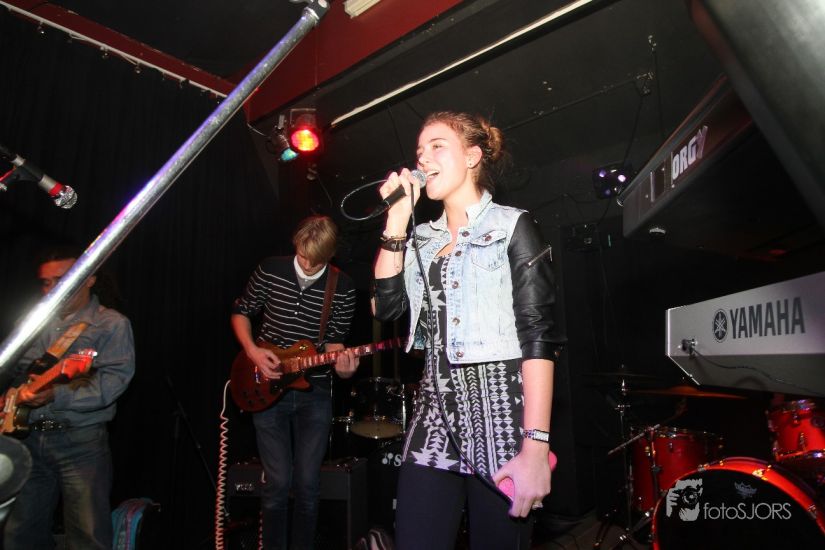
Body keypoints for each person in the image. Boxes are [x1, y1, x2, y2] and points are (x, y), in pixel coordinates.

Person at [371, 111, 565, 549]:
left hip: (502, 420)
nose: (423, 158)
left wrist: (536, 446)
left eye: (437, 146)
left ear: (473, 156)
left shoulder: (512, 225)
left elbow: (538, 335)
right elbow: (385, 308)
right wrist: (396, 221)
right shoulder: (421, 238)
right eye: (420, 150)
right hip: (433, 417)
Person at [231, 215, 359, 550]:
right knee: (277, 483)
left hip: (314, 391)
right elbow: (242, 312)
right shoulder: (271, 269)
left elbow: (334, 344)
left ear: (329, 255)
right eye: (302, 255)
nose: (306, 264)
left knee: (307, 484)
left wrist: (345, 369)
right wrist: (253, 351)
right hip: (266, 382)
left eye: (315, 260)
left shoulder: (343, 286)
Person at [2, 245, 136, 549]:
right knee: (20, 535)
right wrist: (10, 398)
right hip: (27, 437)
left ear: (89, 278)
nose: (52, 289)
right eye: (46, 282)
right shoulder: (31, 321)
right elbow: (17, 373)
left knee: (87, 536)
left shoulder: (111, 324)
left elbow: (112, 384)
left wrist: (56, 395)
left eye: (61, 281)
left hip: (80, 442)